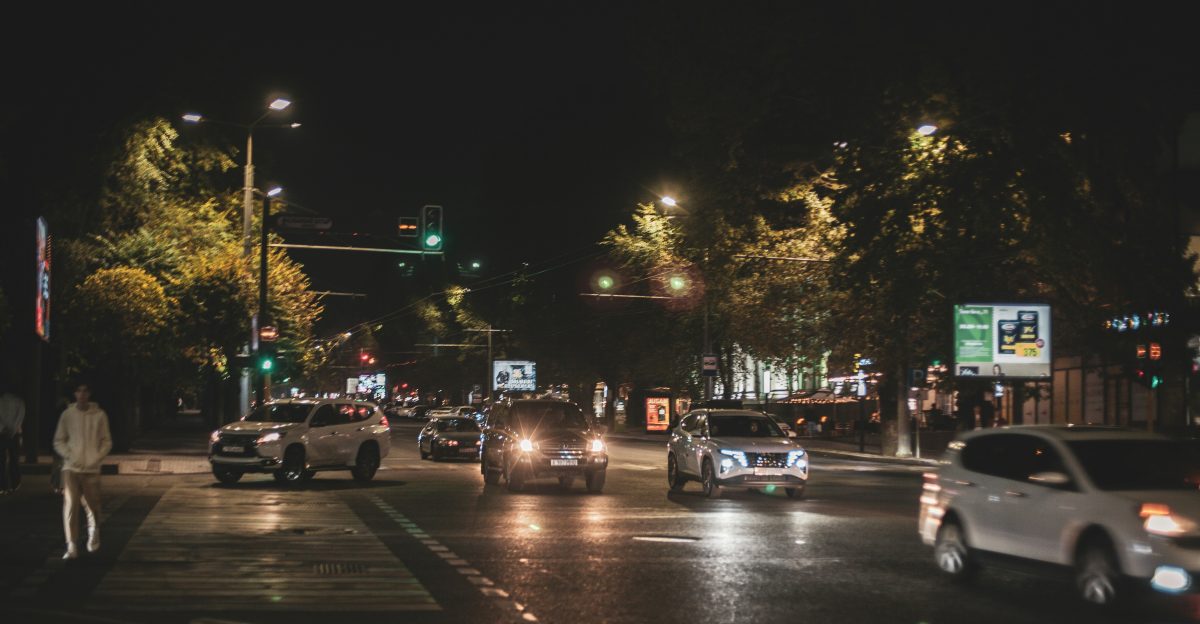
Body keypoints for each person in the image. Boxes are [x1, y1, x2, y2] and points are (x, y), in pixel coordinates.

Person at [53, 382, 111, 560]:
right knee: (70, 505)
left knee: (92, 504)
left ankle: (94, 531)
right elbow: (59, 440)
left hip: (91, 468)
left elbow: (106, 440)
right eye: (79, 390)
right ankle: (71, 546)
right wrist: (68, 455)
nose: (82, 394)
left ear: (90, 393)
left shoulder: (99, 415)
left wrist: (97, 457)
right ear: (75, 393)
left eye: (85, 390)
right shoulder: (68, 414)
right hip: (71, 467)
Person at [0, 380, 25, 494]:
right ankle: (15, 483)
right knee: (14, 460)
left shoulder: (1, 401)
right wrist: (13, 429)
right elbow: (20, 417)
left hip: (1, 433)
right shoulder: (19, 402)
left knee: (1, 460)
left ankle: (3, 485)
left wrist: (3, 428)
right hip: (14, 434)